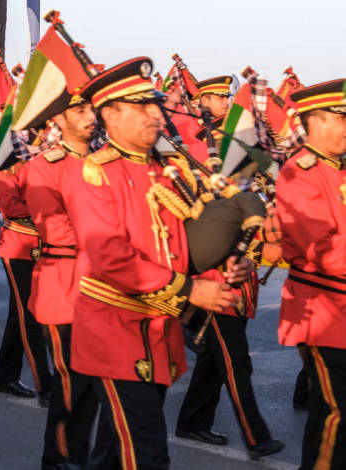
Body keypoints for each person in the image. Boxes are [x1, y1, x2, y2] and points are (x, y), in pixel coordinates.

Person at [64, 57, 254, 469]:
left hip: (159, 329)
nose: (156, 113)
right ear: (110, 115)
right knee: (147, 456)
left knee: (116, 453)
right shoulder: (94, 173)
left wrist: (225, 266)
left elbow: (188, 243)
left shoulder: (165, 172)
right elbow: (111, 258)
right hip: (114, 332)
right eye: (141, 106)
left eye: (155, 104)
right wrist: (191, 290)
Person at [174, 74, 284, 458]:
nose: (225, 102)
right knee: (235, 358)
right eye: (220, 97)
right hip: (212, 270)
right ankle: (256, 436)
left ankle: (192, 421)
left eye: (227, 97)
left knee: (213, 355)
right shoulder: (192, 148)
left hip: (242, 267)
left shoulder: (242, 143)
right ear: (203, 98)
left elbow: (267, 189)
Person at [25, 98, 102, 469]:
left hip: (105, 288)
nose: (90, 117)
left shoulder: (108, 162)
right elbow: (53, 227)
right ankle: (58, 460)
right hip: (65, 286)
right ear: (58, 117)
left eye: (92, 110)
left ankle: (80, 457)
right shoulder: (43, 166)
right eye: (79, 111)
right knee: (72, 383)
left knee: (97, 386)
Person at [276, 78, 346, 470]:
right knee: (337, 414)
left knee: (330, 411)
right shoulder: (299, 172)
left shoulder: (339, 168)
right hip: (323, 311)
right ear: (315, 122)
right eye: (341, 119)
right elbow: (321, 247)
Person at [0, 152, 53, 407]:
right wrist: (48, 207)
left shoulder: (43, 159)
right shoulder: (5, 164)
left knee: (19, 315)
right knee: (30, 316)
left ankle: (5, 376)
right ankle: (45, 385)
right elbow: (11, 208)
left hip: (46, 246)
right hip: (19, 246)